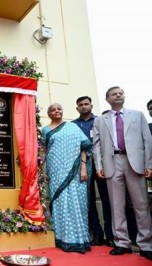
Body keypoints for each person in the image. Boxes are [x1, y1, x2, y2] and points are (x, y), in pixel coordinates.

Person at [93, 86, 152, 261]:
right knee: (116, 205)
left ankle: (146, 244)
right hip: (112, 162)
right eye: (114, 94)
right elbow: (96, 145)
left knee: (141, 205)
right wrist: (98, 165)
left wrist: (149, 164)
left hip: (135, 162)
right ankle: (122, 242)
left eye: (120, 93)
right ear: (107, 99)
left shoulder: (137, 115)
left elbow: (147, 141)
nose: (118, 95)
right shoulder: (100, 120)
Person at [42, 103, 92, 254]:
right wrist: (43, 171)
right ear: (49, 113)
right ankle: (62, 238)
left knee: (77, 201)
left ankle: (78, 239)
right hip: (55, 171)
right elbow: (44, 151)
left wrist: (83, 167)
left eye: (59, 108)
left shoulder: (73, 127)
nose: (57, 111)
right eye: (53, 109)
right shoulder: (45, 130)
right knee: (60, 201)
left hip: (75, 170)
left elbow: (83, 147)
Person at [72, 96, 114, 247]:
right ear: (77, 108)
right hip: (83, 165)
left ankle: (110, 235)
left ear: (91, 105)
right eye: (80, 105)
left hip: (102, 164)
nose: (84, 107)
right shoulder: (73, 125)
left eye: (86, 104)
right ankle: (96, 234)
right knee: (88, 200)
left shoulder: (101, 121)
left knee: (107, 199)